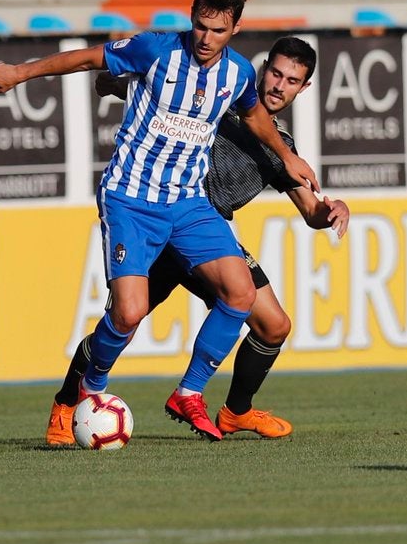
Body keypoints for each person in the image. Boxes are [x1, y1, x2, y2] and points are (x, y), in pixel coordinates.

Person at [0, 0, 319, 441]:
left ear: (235, 29)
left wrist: (288, 156)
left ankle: (191, 392)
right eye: (200, 26)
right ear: (192, 15)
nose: (206, 38)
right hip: (131, 200)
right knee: (128, 314)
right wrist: (19, 73)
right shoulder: (155, 50)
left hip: (189, 204)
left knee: (241, 296)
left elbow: (255, 114)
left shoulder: (237, 74)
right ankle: (83, 394)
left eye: (218, 31)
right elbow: (88, 57)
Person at [46, 36, 349, 445]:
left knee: (274, 326)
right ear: (262, 70)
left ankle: (235, 413)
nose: (280, 85)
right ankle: (66, 404)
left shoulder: (282, 149)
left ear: (304, 88)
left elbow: (310, 210)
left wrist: (331, 210)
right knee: (123, 321)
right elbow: (153, 93)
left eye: (292, 80)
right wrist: (113, 84)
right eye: (276, 73)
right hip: (162, 219)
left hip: (207, 236)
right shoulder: (220, 99)